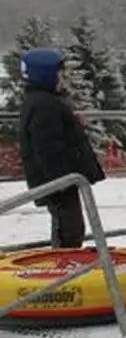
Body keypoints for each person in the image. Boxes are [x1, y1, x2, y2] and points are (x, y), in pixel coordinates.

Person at [17, 48, 106, 248]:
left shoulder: (45, 101)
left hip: (61, 179)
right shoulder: (44, 105)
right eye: (60, 74)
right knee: (69, 229)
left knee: (71, 226)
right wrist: (63, 180)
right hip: (58, 181)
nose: (63, 79)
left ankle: (66, 260)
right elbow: (47, 146)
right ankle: (64, 265)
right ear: (46, 75)